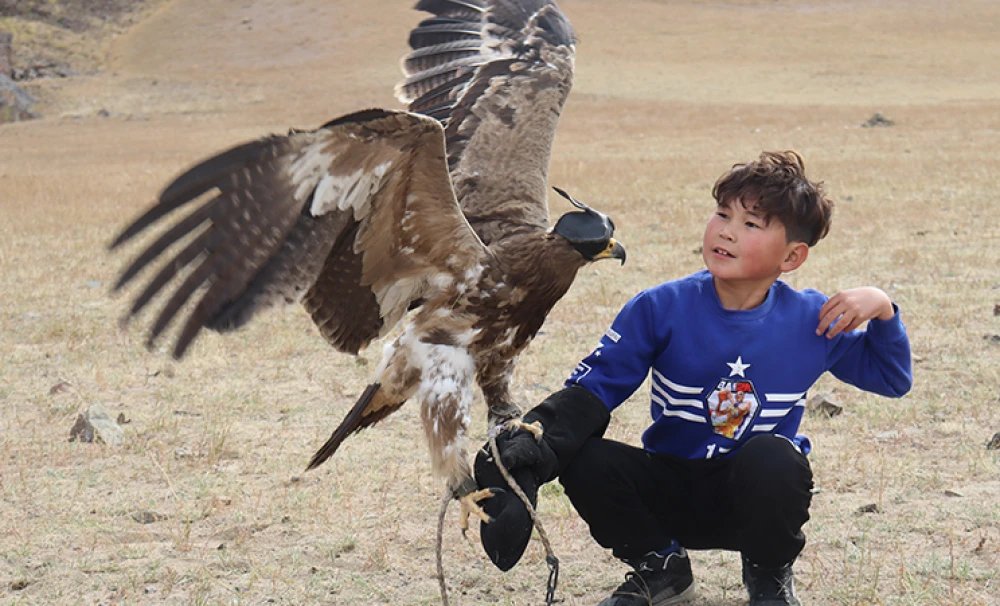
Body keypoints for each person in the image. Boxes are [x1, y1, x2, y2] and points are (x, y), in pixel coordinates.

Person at [474, 150, 913, 606]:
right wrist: (535, 445)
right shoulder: (660, 307)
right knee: (585, 458)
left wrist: (883, 309)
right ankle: (661, 569)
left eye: (751, 224)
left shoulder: (812, 321)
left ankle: (768, 577)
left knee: (775, 458)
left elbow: (892, 377)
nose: (726, 230)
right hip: (669, 487)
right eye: (722, 213)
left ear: (792, 256)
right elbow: (595, 389)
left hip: (753, 501)